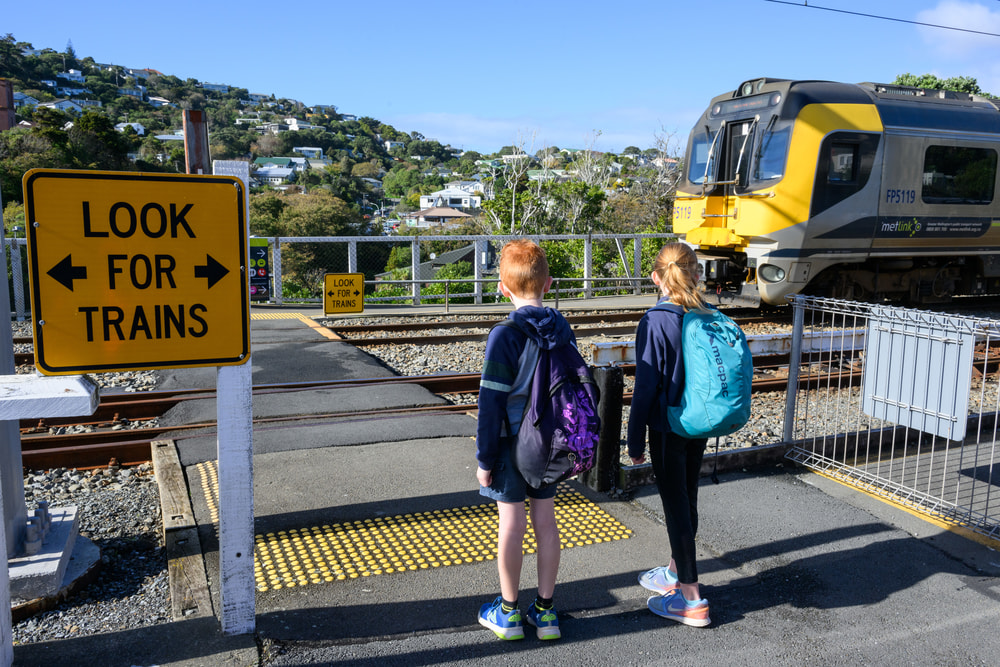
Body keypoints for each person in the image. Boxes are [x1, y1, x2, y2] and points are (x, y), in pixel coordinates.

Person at [475, 239, 571, 641]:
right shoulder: (563, 329)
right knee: (546, 524)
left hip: (510, 443)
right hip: (549, 442)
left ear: (502, 287)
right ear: (548, 283)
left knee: (511, 526)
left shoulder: (505, 334)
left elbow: (490, 403)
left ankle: (509, 613)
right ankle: (546, 613)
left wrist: (485, 460)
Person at [626, 242, 712, 627]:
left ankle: (691, 598)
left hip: (666, 426)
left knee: (675, 507)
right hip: (698, 422)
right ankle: (676, 572)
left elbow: (645, 389)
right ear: (694, 273)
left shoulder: (655, 321)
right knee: (686, 498)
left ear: (656, 278)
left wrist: (633, 439)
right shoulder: (705, 314)